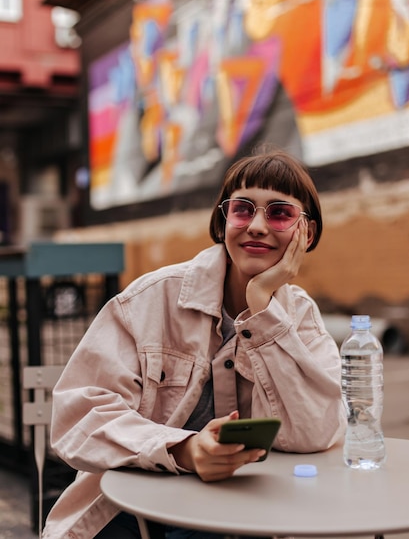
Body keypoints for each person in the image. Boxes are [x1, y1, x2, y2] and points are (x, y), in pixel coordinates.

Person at [42, 148, 346, 539]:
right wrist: (183, 450)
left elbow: (316, 434)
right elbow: (79, 416)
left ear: (308, 233)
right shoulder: (151, 299)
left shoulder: (300, 317)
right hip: (125, 512)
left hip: (240, 513)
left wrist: (263, 308)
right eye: (242, 209)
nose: (256, 225)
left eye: (279, 213)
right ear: (223, 223)